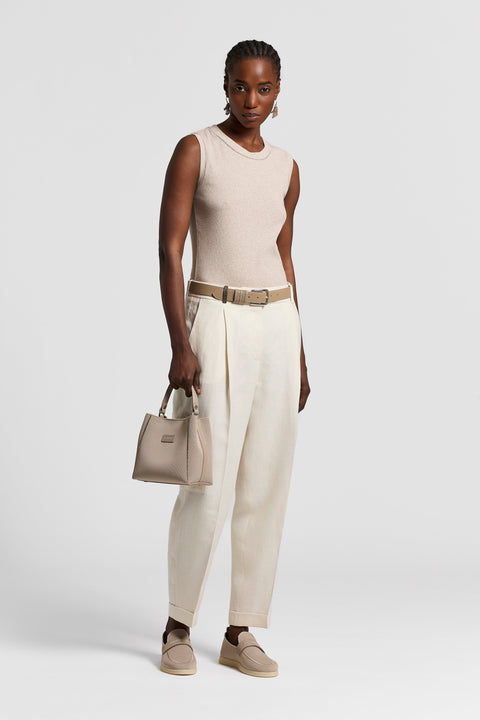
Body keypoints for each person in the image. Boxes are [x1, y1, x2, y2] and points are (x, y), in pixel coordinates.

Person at [157, 39, 310, 677]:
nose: (252, 99)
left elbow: (285, 257)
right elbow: (170, 250)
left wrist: (300, 351)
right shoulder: (196, 150)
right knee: (206, 480)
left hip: (276, 320)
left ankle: (240, 629)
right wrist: (180, 343)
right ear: (225, 86)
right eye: (241, 86)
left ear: (278, 93)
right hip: (214, 316)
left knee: (266, 479)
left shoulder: (287, 167)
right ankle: (177, 626)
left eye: (264, 88)